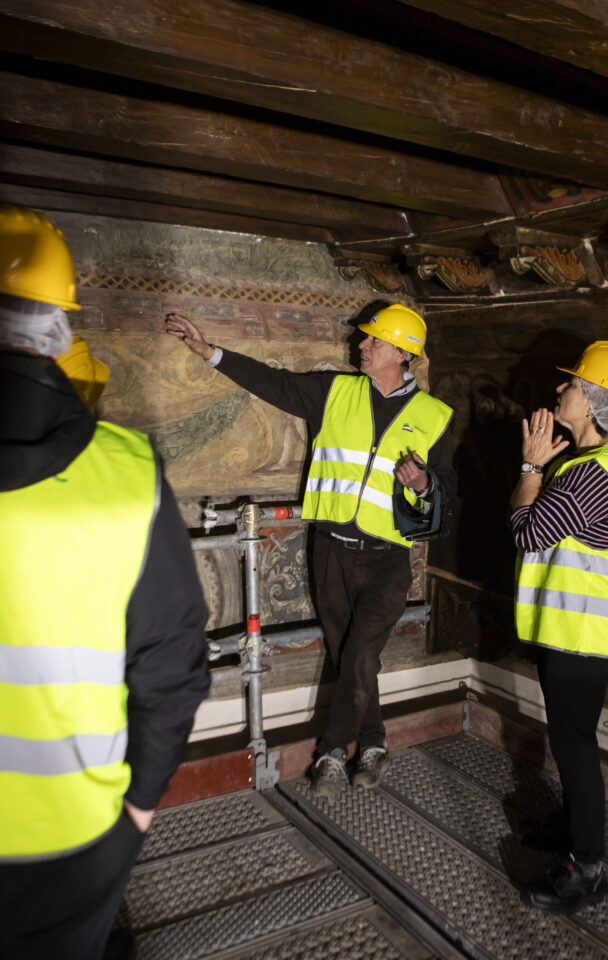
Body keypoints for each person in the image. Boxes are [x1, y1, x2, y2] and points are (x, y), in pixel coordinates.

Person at [0, 205, 211, 959]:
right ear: (60, 330)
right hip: (77, 834)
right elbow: (175, 664)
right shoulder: (123, 470)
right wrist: (142, 808)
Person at [165, 305, 453, 801]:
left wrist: (425, 484)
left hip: (387, 557)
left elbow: (448, 494)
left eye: (374, 342)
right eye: (364, 340)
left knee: (362, 653)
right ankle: (375, 743)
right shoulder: (333, 391)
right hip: (331, 552)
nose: (360, 347)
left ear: (402, 354)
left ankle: (330, 752)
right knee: (351, 656)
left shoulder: (435, 416)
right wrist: (210, 352)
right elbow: (272, 383)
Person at [509, 340, 608, 914]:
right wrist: (541, 469)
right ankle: (571, 827)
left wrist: (529, 466)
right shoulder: (596, 466)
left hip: (581, 642)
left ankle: (587, 870)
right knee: (574, 741)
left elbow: (522, 529)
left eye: (570, 386)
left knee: (574, 749)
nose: (560, 391)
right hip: (578, 636)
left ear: (591, 404)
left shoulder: (588, 478)